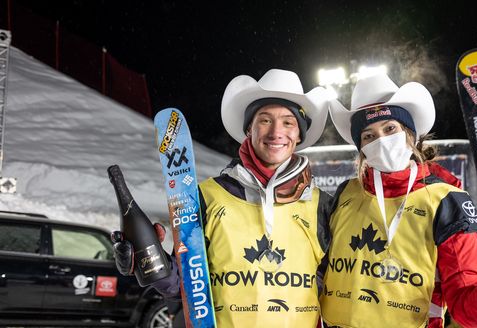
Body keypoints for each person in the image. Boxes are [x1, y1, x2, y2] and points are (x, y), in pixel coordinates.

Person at [319, 73, 477, 328]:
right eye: (368, 135)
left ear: (410, 134)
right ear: (361, 148)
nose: (381, 142)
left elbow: (466, 305)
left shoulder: (445, 200)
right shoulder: (345, 194)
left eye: (390, 129)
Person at [111, 69, 332, 327]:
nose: (276, 132)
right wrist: (149, 264)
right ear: (249, 128)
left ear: (299, 134)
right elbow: (183, 284)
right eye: (264, 120)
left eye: (288, 122)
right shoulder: (207, 196)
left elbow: (342, 286)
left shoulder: (323, 205)